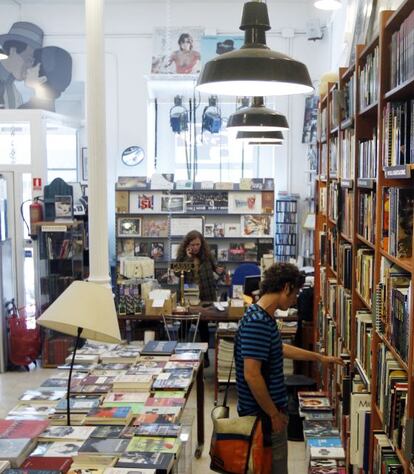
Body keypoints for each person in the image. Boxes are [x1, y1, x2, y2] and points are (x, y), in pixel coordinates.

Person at [234, 262, 343, 474]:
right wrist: (274, 414)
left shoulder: (261, 315)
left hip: (264, 414)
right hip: (263, 417)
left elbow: (278, 347)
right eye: (295, 294)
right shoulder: (258, 321)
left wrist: (319, 357)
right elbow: (252, 374)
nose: (295, 300)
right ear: (286, 288)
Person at [176, 230, 224, 366]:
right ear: (187, 244)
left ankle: (206, 357)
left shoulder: (207, 256)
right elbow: (177, 271)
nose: (196, 247)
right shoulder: (182, 256)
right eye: (193, 244)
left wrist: (219, 270)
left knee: (203, 327)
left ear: (202, 243)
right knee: (184, 325)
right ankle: (180, 355)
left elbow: (215, 269)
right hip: (188, 297)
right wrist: (187, 257)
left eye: (198, 244)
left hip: (205, 296)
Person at [0, 21, 44, 108]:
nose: (29, 68)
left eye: (33, 63)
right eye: (28, 60)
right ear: (13, 50)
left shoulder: (14, 94)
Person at [20, 46, 72, 112]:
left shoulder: (26, 112)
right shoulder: (50, 112)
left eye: (33, 64)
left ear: (43, 79)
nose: (28, 70)